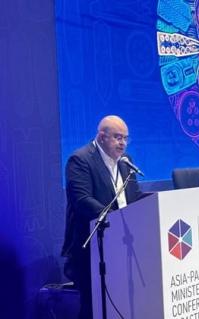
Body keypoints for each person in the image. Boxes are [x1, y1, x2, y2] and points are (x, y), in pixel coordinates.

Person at [61, 115, 144, 319]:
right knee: (93, 307)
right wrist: (115, 221)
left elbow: (133, 197)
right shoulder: (80, 160)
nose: (123, 143)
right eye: (117, 137)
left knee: (121, 302)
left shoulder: (126, 162)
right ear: (101, 136)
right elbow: (82, 200)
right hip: (91, 249)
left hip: (122, 247)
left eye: (125, 138)